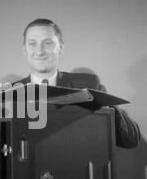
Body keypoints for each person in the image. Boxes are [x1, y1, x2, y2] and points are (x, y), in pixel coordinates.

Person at [14, 18, 140, 149]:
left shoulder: (87, 85)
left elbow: (130, 141)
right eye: (32, 44)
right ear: (24, 49)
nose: (40, 51)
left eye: (48, 43)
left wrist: (102, 102)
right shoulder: (8, 94)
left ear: (61, 47)